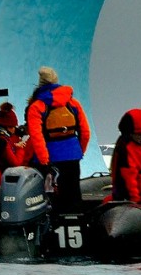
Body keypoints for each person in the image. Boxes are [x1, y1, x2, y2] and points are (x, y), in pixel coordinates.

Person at [24, 66, 91, 213]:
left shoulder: (37, 106)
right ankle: (76, 225)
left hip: (48, 159)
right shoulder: (73, 103)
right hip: (72, 156)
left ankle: (51, 228)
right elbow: (85, 132)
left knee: (48, 197)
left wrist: (44, 160)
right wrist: (78, 151)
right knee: (73, 193)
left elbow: (36, 136)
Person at [0, 102, 31, 169]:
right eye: (12, 127)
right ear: (5, 127)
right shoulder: (3, 140)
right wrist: (20, 147)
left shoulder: (10, 137)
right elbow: (16, 163)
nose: (14, 129)